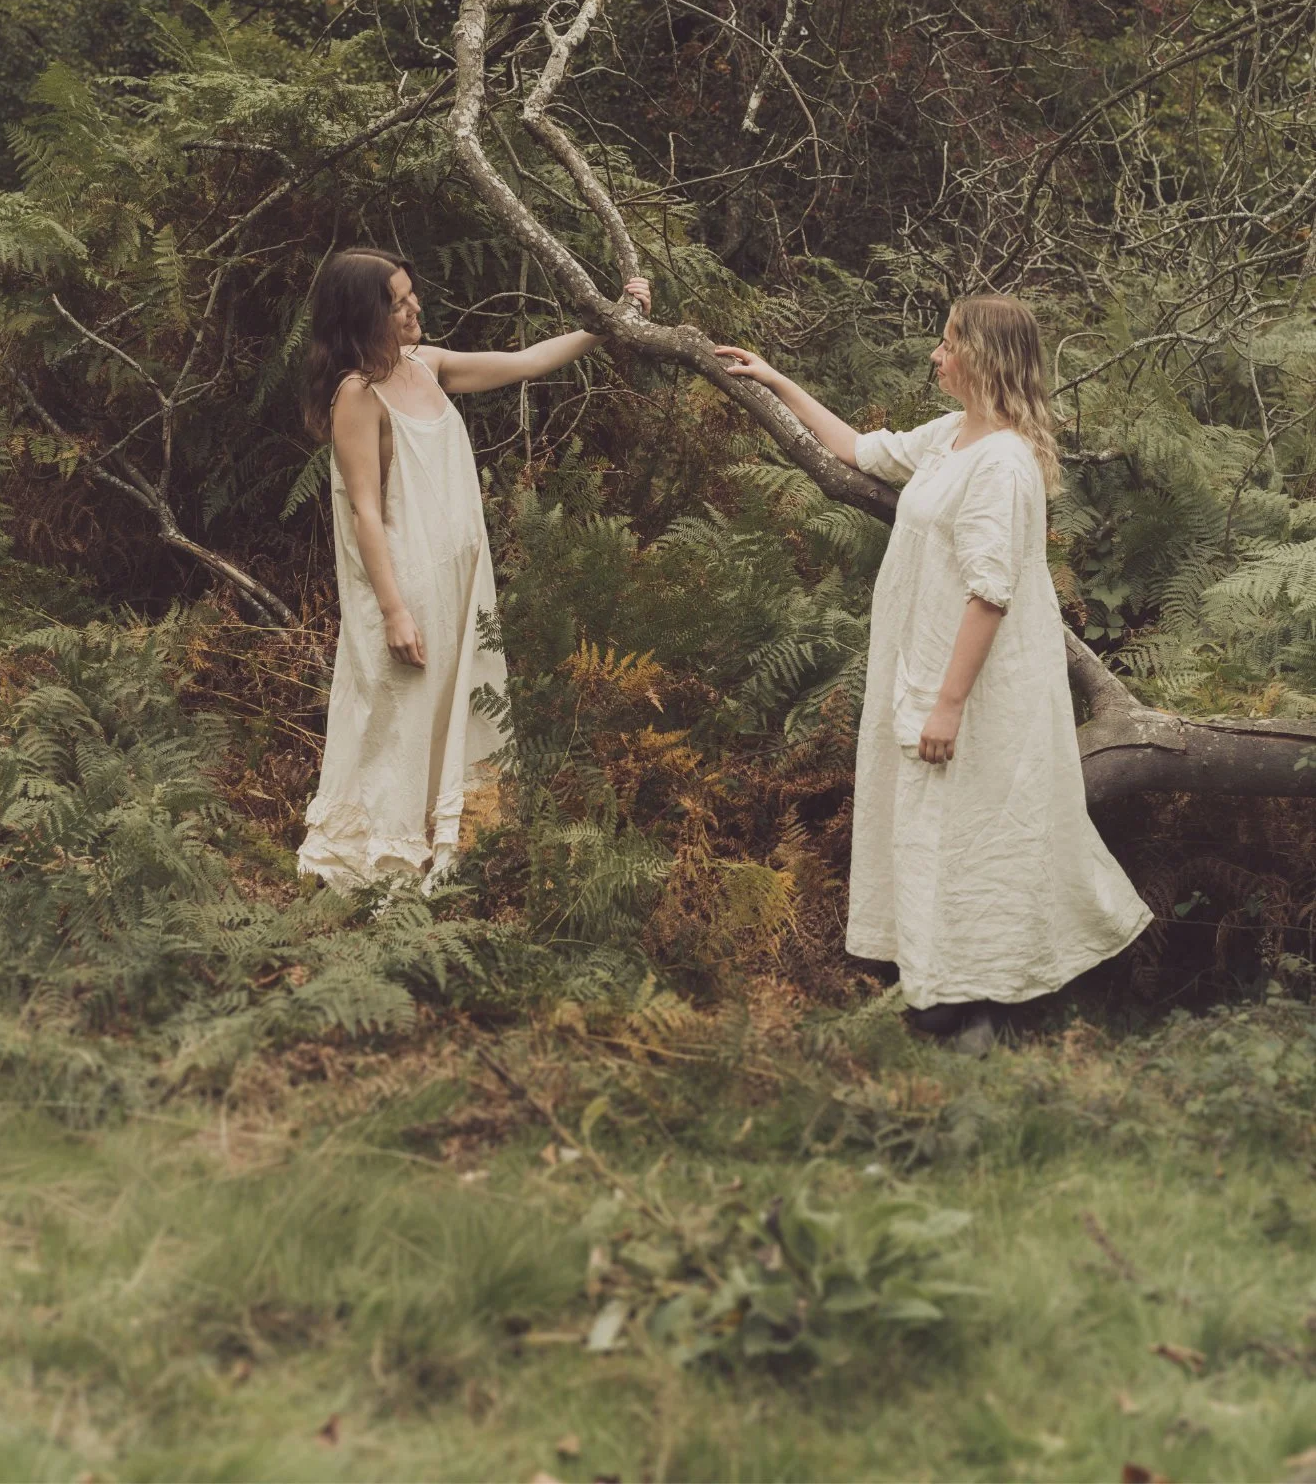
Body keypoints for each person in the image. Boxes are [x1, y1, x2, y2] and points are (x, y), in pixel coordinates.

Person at [714, 296, 1151, 1053]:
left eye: (946, 345)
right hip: (925, 662)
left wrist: (946, 705)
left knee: (977, 828)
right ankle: (936, 986)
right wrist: (775, 379)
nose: (933, 356)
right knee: (932, 825)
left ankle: (977, 1002)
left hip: (977, 685)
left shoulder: (1002, 463)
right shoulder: (953, 436)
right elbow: (860, 452)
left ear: (980, 358)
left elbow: (990, 592)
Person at [299, 249, 652, 893]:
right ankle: (384, 866)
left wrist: (611, 319)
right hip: (405, 583)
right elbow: (366, 514)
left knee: (451, 704)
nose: (414, 308)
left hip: (459, 577)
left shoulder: (427, 366)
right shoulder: (358, 395)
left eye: (412, 295)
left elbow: (525, 362)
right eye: (398, 301)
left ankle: (450, 846)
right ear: (364, 315)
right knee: (400, 712)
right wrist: (394, 610)